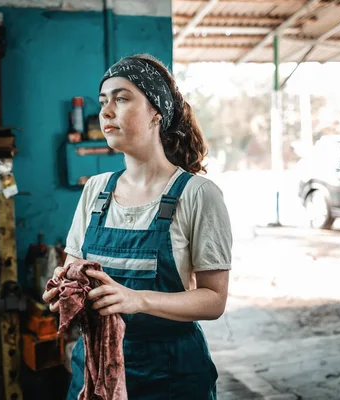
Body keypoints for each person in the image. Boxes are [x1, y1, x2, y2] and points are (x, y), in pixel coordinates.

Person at [42, 53, 232, 400]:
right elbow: (72, 269)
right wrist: (64, 292)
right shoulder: (95, 190)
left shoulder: (198, 194)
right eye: (103, 101)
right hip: (93, 369)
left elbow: (214, 300)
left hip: (170, 375)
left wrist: (137, 299)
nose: (106, 111)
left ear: (156, 112)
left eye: (122, 98)